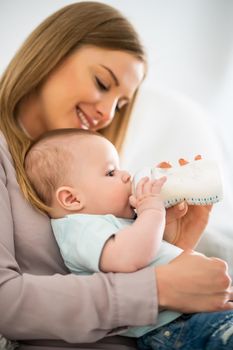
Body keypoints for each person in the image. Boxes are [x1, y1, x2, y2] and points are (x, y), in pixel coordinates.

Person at [0, 2, 232, 350]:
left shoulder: (87, 169)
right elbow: (6, 302)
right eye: (101, 82)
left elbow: (108, 264)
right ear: (51, 53)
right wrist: (157, 287)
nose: (107, 113)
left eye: (121, 104)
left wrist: (173, 241)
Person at [24, 128, 233, 350]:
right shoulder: (79, 228)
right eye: (111, 172)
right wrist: (152, 212)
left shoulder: (112, 223)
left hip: (193, 314)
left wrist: (167, 225)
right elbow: (128, 259)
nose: (126, 175)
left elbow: (152, 257)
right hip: (174, 327)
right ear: (72, 198)